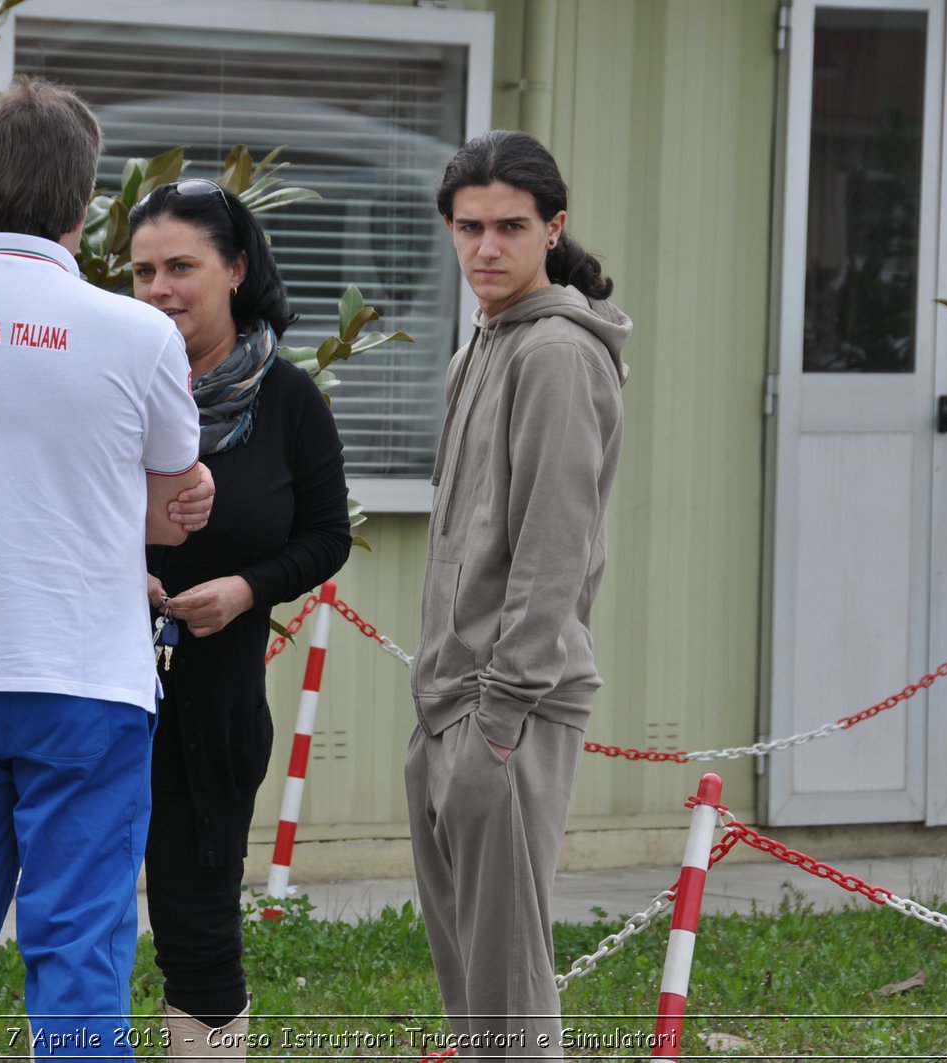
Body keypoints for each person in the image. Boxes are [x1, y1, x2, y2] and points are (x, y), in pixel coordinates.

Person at [0, 76, 213, 1060]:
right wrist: (154, 509)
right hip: (83, 679)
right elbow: (174, 498)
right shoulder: (139, 332)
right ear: (84, 203)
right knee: (75, 967)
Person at [405, 130, 631, 1059]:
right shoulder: (481, 349)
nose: (486, 247)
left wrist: (496, 721)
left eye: (510, 226)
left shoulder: (556, 355)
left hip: (511, 707)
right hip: (448, 699)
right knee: (471, 983)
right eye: (469, 227)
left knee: (508, 993)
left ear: (553, 228)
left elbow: (553, 552)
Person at [128, 179, 351, 1058]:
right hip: (94, 700)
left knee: (202, 929)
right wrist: (119, 577)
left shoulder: (289, 399)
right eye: (143, 271)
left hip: (215, 709)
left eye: (181, 266)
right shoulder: (111, 382)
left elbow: (326, 535)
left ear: (236, 268)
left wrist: (246, 589)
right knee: (77, 928)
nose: (159, 289)